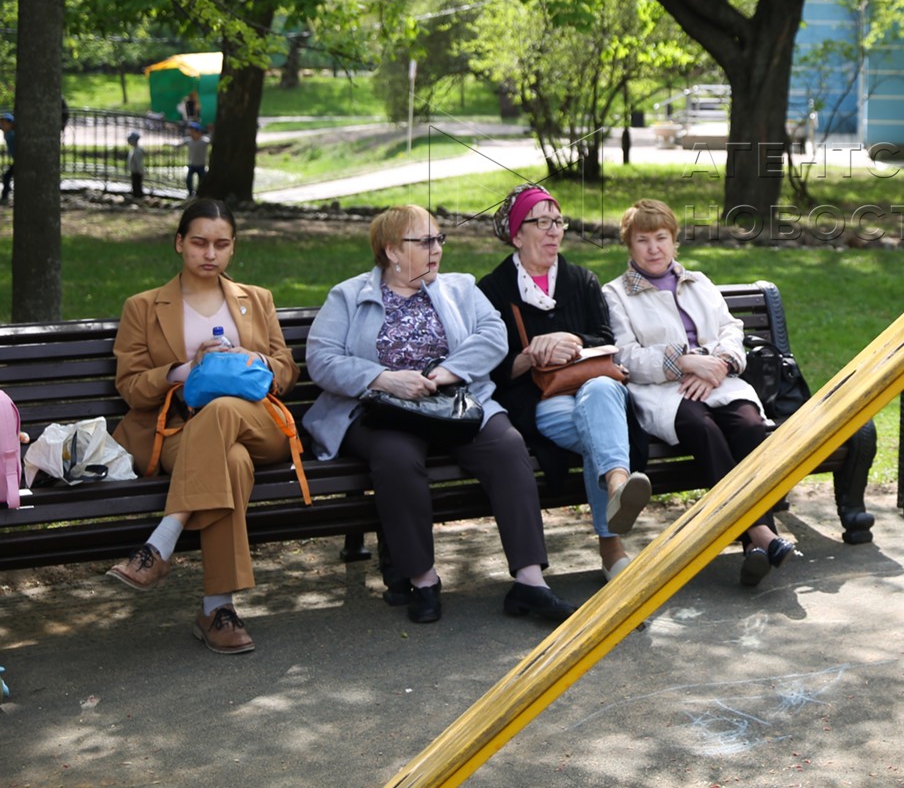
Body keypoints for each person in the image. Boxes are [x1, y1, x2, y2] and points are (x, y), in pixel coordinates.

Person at [304, 205, 575, 625]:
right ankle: (422, 579)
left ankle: (530, 581)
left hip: (455, 403)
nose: (437, 250)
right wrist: (383, 379)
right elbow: (321, 358)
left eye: (439, 239)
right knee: (396, 458)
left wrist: (450, 371)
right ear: (392, 250)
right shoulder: (348, 296)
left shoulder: (460, 287)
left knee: (507, 447)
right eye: (425, 241)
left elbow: (494, 334)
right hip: (383, 410)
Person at [107, 199, 299, 655]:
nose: (210, 253)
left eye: (221, 244)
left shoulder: (256, 299)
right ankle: (217, 609)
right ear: (179, 243)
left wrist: (250, 359)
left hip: (259, 423)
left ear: (233, 248)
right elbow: (131, 388)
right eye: (199, 242)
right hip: (180, 432)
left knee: (225, 410)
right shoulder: (143, 307)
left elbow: (287, 372)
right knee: (231, 462)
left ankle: (161, 543)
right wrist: (185, 369)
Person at [603, 199, 795, 587]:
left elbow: (730, 329)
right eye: (643, 240)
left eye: (661, 238)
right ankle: (759, 534)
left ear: (674, 240)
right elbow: (626, 356)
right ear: (629, 245)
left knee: (749, 426)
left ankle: (755, 544)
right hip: (663, 392)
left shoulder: (699, 282)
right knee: (702, 429)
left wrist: (718, 364)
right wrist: (684, 362)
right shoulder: (616, 294)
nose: (653, 248)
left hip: (718, 380)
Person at [477, 185, 651, 582]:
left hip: (596, 388)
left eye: (558, 221)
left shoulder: (582, 280)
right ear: (517, 235)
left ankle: (617, 487)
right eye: (542, 222)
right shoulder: (492, 290)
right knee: (599, 427)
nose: (554, 230)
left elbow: (605, 339)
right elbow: (488, 368)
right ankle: (613, 533)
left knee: (602, 392)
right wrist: (529, 356)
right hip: (541, 400)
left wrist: (570, 340)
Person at [184, 122, 209, 196]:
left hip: (201, 165)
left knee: (202, 181)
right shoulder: (188, 141)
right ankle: (190, 192)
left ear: (199, 133)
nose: (191, 133)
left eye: (193, 132)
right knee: (188, 180)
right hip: (192, 165)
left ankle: (200, 193)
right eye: (190, 132)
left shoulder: (205, 141)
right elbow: (179, 144)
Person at [127, 130, 146, 197]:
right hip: (134, 171)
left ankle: (139, 198)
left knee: (137, 186)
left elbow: (138, 163)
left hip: (137, 172)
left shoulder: (137, 151)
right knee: (135, 186)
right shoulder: (134, 150)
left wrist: (140, 171)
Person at [0, 111, 13, 205]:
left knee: (7, 176)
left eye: (4, 123)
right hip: (17, 160)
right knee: (7, 176)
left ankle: (5, 197)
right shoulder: (6, 133)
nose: (2, 125)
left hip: (21, 161)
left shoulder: (14, 133)